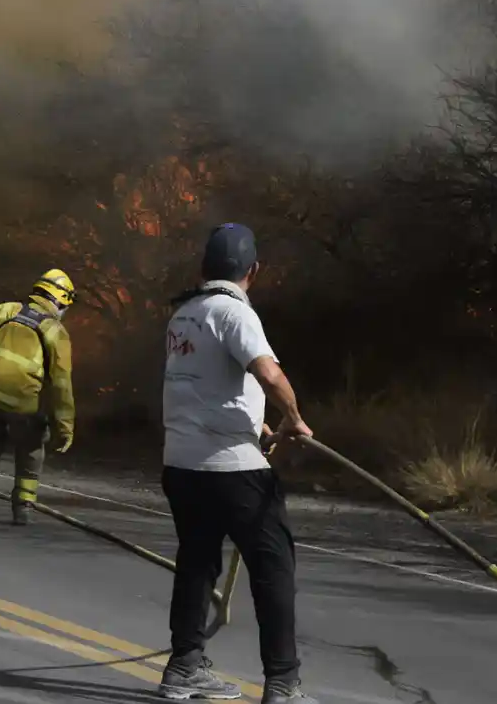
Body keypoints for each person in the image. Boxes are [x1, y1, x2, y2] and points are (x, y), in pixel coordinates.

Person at [156, 224, 317, 704]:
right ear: (253, 270)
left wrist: (259, 426)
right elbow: (267, 372)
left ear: (203, 268)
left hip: (181, 465)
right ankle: (283, 683)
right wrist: (293, 418)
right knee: (274, 566)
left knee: (197, 562)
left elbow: (202, 387)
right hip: (233, 470)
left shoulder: (183, 315)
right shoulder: (234, 312)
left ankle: (184, 666)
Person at [0, 269, 75, 526]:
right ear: (59, 300)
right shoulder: (55, 331)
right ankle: (23, 505)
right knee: (31, 448)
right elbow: (61, 385)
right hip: (23, 402)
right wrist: (65, 427)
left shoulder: (5, 310)